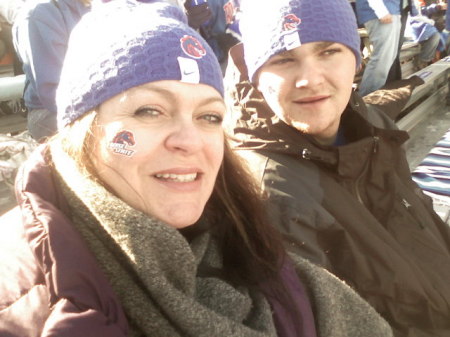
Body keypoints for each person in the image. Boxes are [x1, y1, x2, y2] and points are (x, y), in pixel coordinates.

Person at [0, 1, 394, 336]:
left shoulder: (251, 244)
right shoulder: (25, 300)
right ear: (82, 128)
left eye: (208, 117)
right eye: (149, 110)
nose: (190, 141)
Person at [224, 0, 450, 335]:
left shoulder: (370, 124)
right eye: (283, 59)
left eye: (329, 51)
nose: (310, 79)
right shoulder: (270, 194)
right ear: (255, 74)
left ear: (356, 58)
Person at [12, 0, 92, 142]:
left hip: (106, 99)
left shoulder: (113, 5)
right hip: (52, 111)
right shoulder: (39, 13)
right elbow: (53, 92)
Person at [355, 0, 402, 95]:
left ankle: (370, 98)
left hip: (391, 11)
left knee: (387, 58)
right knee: (382, 59)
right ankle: (366, 99)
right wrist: (381, 11)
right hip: (380, 12)